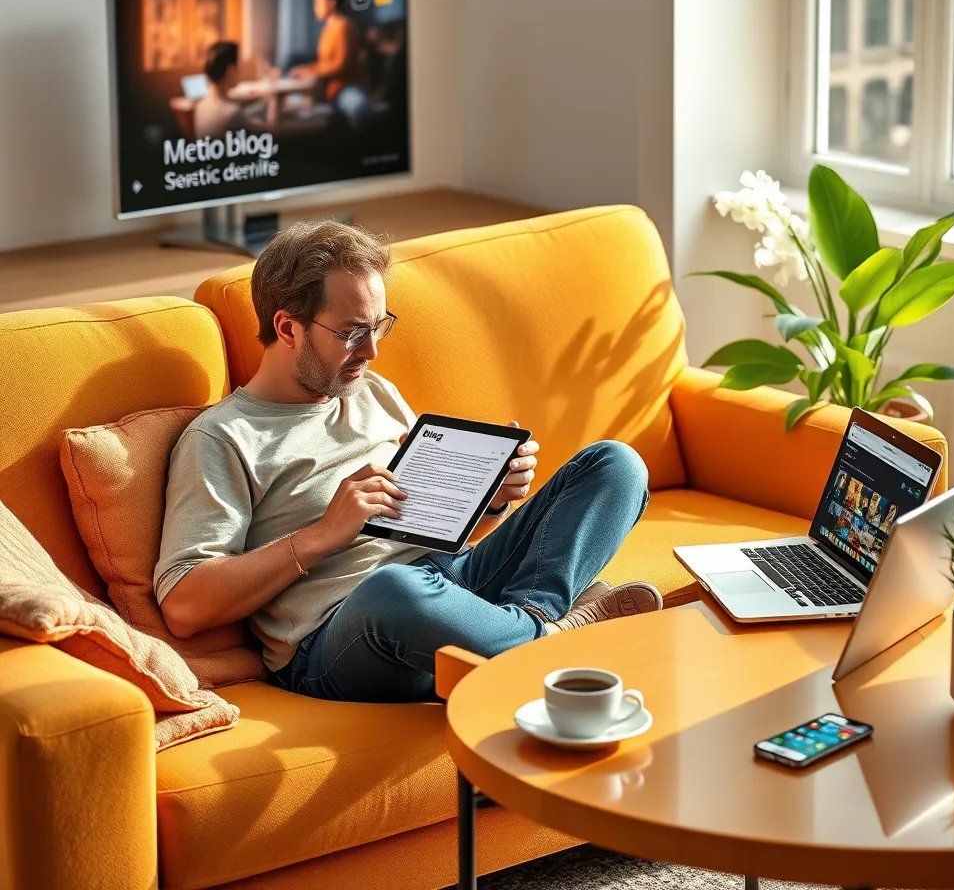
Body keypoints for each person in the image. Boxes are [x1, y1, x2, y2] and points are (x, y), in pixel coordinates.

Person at [154, 221, 661, 704]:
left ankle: (537, 625)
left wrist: (492, 497)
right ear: (288, 328)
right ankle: (546, 636)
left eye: (380, 327)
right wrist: (325, 532)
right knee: (393, 588)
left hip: (448, 579)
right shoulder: (222, 437)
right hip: (340, 636)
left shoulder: (372, 391)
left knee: (614, 466)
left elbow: (431, 524)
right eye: (353, 333)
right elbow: (184, 605)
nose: (371, 351)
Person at [289, 0, 365, 107]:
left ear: (332, 3)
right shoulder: (326, 30)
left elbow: (340, 65)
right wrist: (306, 69)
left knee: (357, 107)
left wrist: (311, 72)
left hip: (345, 88)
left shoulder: (344, 26)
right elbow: (324, 63)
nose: (315, 8)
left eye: (318, 3)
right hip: (328, 90)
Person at [192, 40, 269, 139]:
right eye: (240, 64)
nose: (243, 68)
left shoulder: (201, 104)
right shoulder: (232, 114)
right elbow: (265, 132)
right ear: (231, 71)